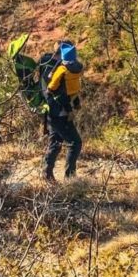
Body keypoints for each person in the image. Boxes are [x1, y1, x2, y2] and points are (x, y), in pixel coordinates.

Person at [42, 41, 83, 181]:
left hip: (56, 114)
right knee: (75, 143)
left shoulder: (63, 68)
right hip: (58, 114)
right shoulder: (55, 70)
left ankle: (47, 175)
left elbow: (73, 88)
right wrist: (69, 109)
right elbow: (57, 93)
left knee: (56, 142)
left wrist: (76, 102)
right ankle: (70, 177)